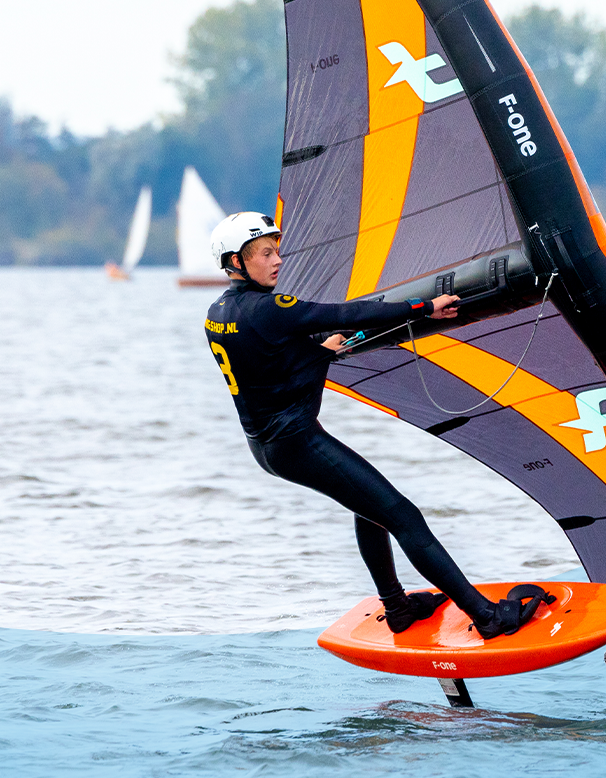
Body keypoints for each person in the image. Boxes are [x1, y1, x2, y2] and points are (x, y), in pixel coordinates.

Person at [202, 212, 541, 639]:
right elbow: (347, 311)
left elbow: (268, 366)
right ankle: (488, 616)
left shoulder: (218, 313)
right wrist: (425, 307)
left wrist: (317, 351)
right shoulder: (269, 309)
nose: (278, 260)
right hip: (296, 441)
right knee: (403, 516)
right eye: (266, 253)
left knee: (370, 509)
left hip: (269, 446)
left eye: (277, 250)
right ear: (236, 261)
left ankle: (398, 608)